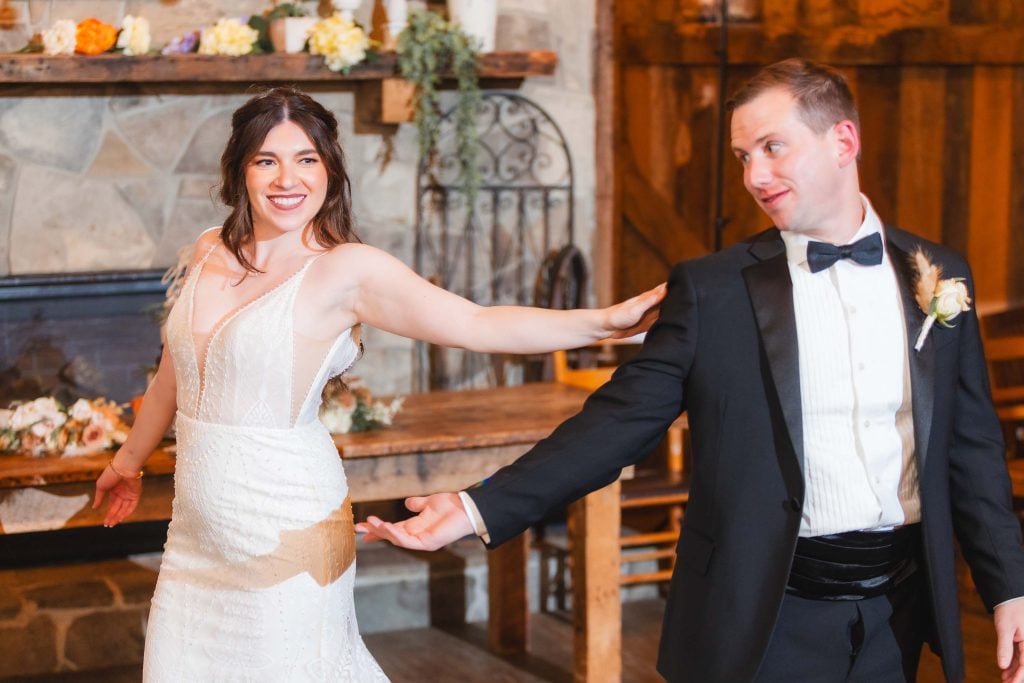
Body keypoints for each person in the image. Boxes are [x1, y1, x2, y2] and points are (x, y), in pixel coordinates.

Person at [359, 59, 1024, 682]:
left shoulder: (936, 274)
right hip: (764, 615)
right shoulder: (716, 292)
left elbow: (971, 448)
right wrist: (475, 505)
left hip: (899, 612)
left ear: (843, 140)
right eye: (743, 157)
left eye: (772, 147)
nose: (754, 177)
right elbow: (618, 422)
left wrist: (1009, 585)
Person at [90, 86, 664, 682]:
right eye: (267, 160)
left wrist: (604, 323)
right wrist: (128, 462)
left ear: (330, 171)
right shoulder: (212, 249)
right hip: (194, 542)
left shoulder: (346, 270)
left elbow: (475, 323)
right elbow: (174, 373)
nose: (288, 178)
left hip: (286, 534)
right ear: (239, 171)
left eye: (307, 159)